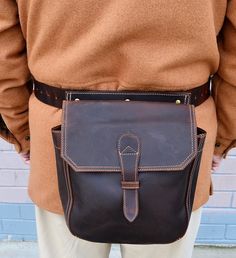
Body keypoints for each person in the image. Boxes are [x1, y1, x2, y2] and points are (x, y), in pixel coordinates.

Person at [0, 1, 235, 258]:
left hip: (60, 136)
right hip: (180, 144)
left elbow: (4, 51)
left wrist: (23, 130)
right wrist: (222, 138)